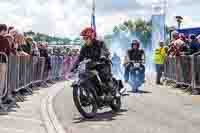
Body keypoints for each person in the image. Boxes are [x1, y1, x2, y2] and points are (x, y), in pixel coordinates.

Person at [71, 27, 113, 93]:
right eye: (84, 38)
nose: (85, 40)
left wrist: (103, 56)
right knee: (84, 76)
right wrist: (74, 66)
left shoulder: (100, 43)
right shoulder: (84, 47)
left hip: (102, 64)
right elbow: (79, 58)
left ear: (92, 37)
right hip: (91, 66)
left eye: (86, 38)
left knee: (104, 77)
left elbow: (105, 51)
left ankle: (112, 91)